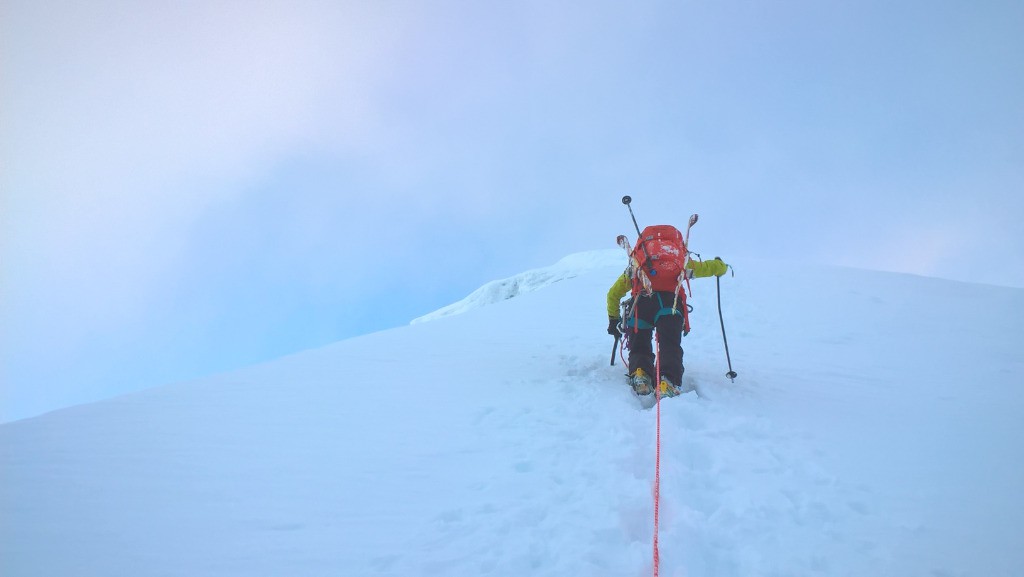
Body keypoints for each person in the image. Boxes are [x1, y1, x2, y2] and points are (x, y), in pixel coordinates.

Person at [607, 256, 728, 397]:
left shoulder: (638, 261)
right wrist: (721, 266)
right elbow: (706, 267)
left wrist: (613, 319)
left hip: (640, 305)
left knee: (639, 344)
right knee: (670, 345)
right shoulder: (678, 258)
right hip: (670, 306)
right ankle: (667, 381)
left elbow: (613, 294)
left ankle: (641, 373)